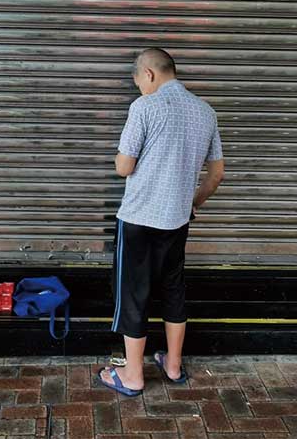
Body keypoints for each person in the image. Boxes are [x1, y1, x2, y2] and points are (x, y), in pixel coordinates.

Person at [98, 48, 225, 396]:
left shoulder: (144, 107)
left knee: (133, 293)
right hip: (176, 221)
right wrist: (192, 202)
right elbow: (216, 174)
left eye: (138, 81)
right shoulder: (206, 111)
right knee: (173, 289)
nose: (139, 88)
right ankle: (172, 365)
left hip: (138, 219)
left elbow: (124, 166)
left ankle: (132, 376)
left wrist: (120, 158)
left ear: (149, 74)